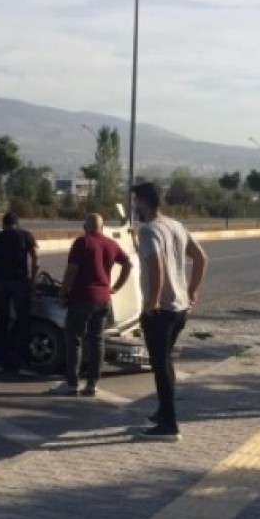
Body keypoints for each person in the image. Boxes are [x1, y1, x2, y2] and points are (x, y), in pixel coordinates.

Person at [132, 182, 208, 441]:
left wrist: (151, 301)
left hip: (161, 311)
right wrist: (192, 291)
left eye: (136, 202)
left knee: (160, 365)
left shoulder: (148, 231)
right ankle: (163, 411)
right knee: (166, 362)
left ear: (143, 201)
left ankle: (169, 425)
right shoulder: (176, 226)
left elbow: (156, 266)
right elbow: (201, 258)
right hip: (179, 308)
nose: (135, 208)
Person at [49, 214, 132, 397]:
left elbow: (71, 271)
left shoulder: (82, 242)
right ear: (101, 227)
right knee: (97, 340)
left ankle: (72, 383)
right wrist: (116, 287)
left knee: (74, 339)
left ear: (87, 226)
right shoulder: (110, 244)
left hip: (81, 297)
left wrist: (62, 294)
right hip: (103, 299)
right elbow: (128, 264)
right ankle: (92, 384)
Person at [0, 212, 39, 373]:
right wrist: (32, 280)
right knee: (23, 323)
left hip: (0, 283)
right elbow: (36, 258)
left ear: (3, 224)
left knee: (1, 322)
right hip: (19, 282)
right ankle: (21, 363)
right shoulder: (25, 236)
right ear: (17, 223)